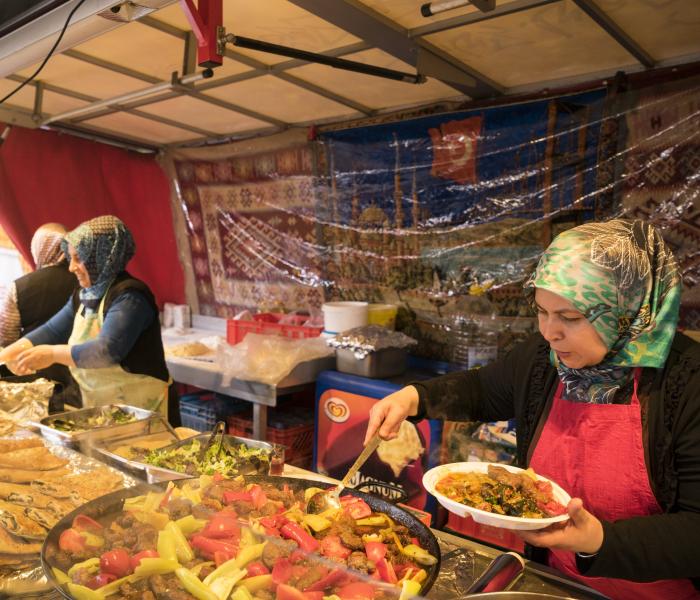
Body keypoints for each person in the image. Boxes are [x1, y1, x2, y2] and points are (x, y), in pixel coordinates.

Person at [364, 219, 700, 599]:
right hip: (555, 582)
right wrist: (413, 397)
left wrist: (597, 540)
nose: (549, 332)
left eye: (570, 318)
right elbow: (482, 388)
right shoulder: (545, 359)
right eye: (542, 311)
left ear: (627, 312)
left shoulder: (688, 383)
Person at [0, 216, 171, 414]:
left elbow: (106, 351)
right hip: (103, 405)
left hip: (143, 407)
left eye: (79, 259)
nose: (71, 267)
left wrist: (52, 354)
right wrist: (4, 355)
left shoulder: (130, 297)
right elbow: (51, 331)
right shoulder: (84, 295)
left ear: (103, 256)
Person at [0, 223, 76, 346]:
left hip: (30, 361)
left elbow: (5, 338)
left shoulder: (18, 287)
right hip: (77, 361)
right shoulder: (87, 282)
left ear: (38, 247)